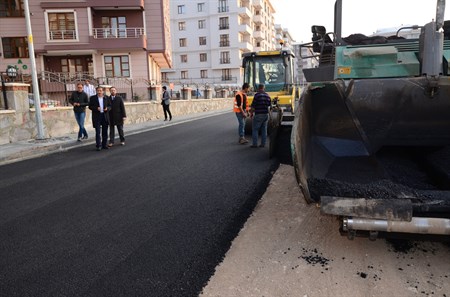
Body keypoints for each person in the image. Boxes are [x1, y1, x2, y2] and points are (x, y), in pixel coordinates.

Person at [88, 86, 111, 151]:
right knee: (98, 132)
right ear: (96, 91)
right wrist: (96, 108)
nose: (99, 92)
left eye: (100, 91)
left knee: (105, 131)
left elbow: (110, 106)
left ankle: (104, 144)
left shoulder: (106, 98)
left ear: (103, 91)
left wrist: (107, 109)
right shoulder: (93, 98)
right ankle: (98, 145)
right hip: (97, 116)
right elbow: (90, 106)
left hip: (104, 116)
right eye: (98, 91)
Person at [250, 84, 271, 148]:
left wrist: (251, 113)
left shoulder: (257, 95)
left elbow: (253, 106)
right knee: (264, 130)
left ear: (258, 88)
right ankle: (263, 144)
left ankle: (255, 144)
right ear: (264, 88)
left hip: (258, 114)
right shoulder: (267, 95)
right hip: (266, 115)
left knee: (255, 129)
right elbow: (269, 105)